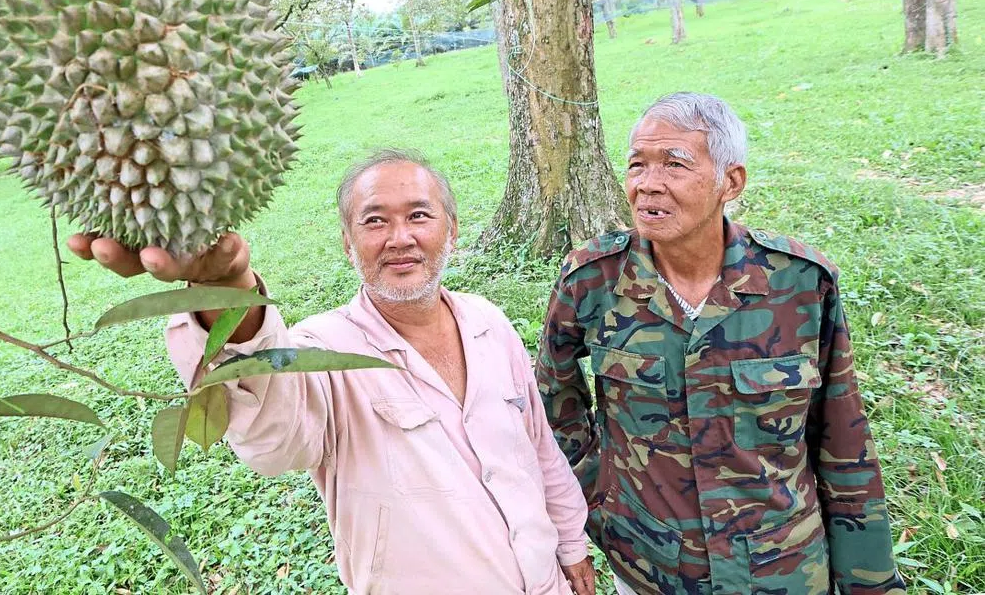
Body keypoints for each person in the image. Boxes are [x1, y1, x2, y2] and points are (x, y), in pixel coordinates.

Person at [69, 149, 596, 595]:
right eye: (373, 221)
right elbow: (276, 444)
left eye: (419, 215)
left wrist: (572, 544)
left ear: (451, 229)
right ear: (347, 242)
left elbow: (537, 446)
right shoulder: (323, 349)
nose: (399, 238)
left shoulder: (488, 320)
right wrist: (226, 292)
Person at [535, 93, 906, 595]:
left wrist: (870, 581)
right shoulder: (592, 281)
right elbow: (552, 403)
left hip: (782, 568)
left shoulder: (797, 282)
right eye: (637, 165)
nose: (648, 184)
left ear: (730, 182)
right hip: (651, 568)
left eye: (675, 164)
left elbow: (842, 437)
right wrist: (597, 498)